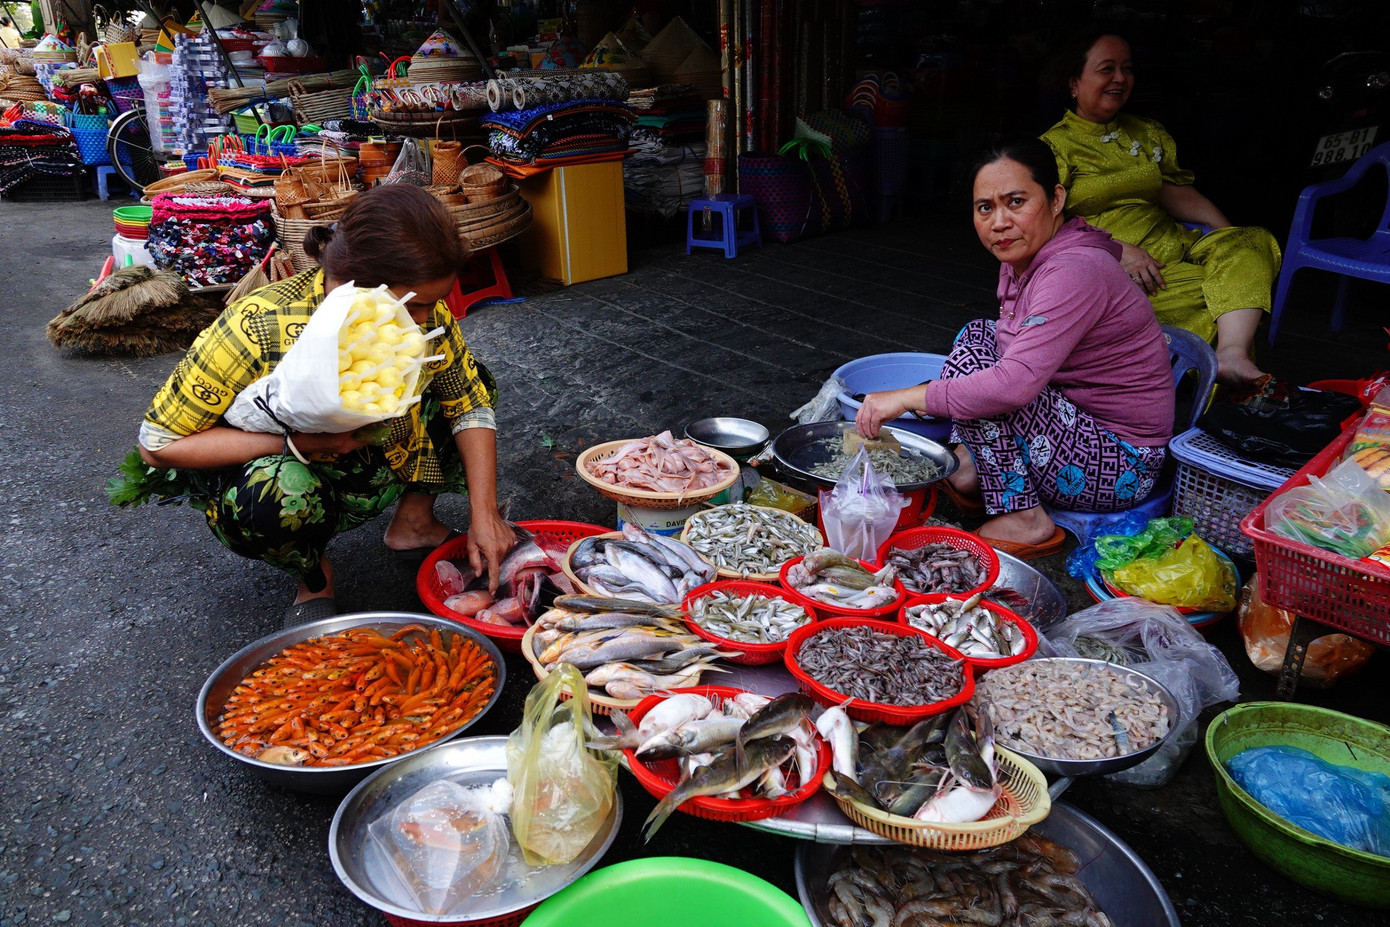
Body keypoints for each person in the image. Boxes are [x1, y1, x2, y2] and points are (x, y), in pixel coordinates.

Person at [135, 185, 512, 625]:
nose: (428, 318)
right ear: (358, 286)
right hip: (298, 471)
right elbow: (157, 446)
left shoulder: (419, 315)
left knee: (471, 379)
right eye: (421, 305)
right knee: (262, 501)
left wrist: (484, 514)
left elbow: (469, 404)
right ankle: (313, 577)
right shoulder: (257, 325)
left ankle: (414, 523)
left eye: (436, 303)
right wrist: (296, 445)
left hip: (388, 449)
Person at [855, 140, 1175, 559]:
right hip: (1076, 425)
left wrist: (908, 398)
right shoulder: (1026, 257)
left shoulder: (1074, 271)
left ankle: (1026, 517)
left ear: (1056, 199)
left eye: (1016, 202)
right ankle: (973, 465)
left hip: (1119, 465)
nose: (1000, 222)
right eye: (985, 207)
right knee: (978, 336)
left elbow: (1013, 385)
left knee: (983, 370)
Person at [1040, 32, 1281, 385]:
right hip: (1117, 271)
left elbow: (1175, 193)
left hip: (1177, 248)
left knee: (1255, 242)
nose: (1120, 79)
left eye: (1127, 69)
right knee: (1221, 294)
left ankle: (1231, 355)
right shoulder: (1053, 148)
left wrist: (1235, 241)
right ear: (1074, 81)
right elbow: (1044, 225)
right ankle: (1200, 373)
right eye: (1107, 69)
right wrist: (1115, 249)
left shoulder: (1146, 132)